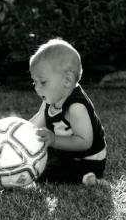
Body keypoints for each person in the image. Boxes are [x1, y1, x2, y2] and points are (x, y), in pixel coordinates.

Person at [29, 38, 107, 185]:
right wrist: (17, 135)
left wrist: (54, 140)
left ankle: (86, 177)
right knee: (38, 154)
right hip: (66, 153)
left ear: (67, 80)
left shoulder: (76, 107)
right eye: (35, 82)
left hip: (87, 159)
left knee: (45, 173)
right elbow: (38, 120)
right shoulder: (51, 98)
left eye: (43, 82)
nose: (37, 88)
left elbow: (85, 142)